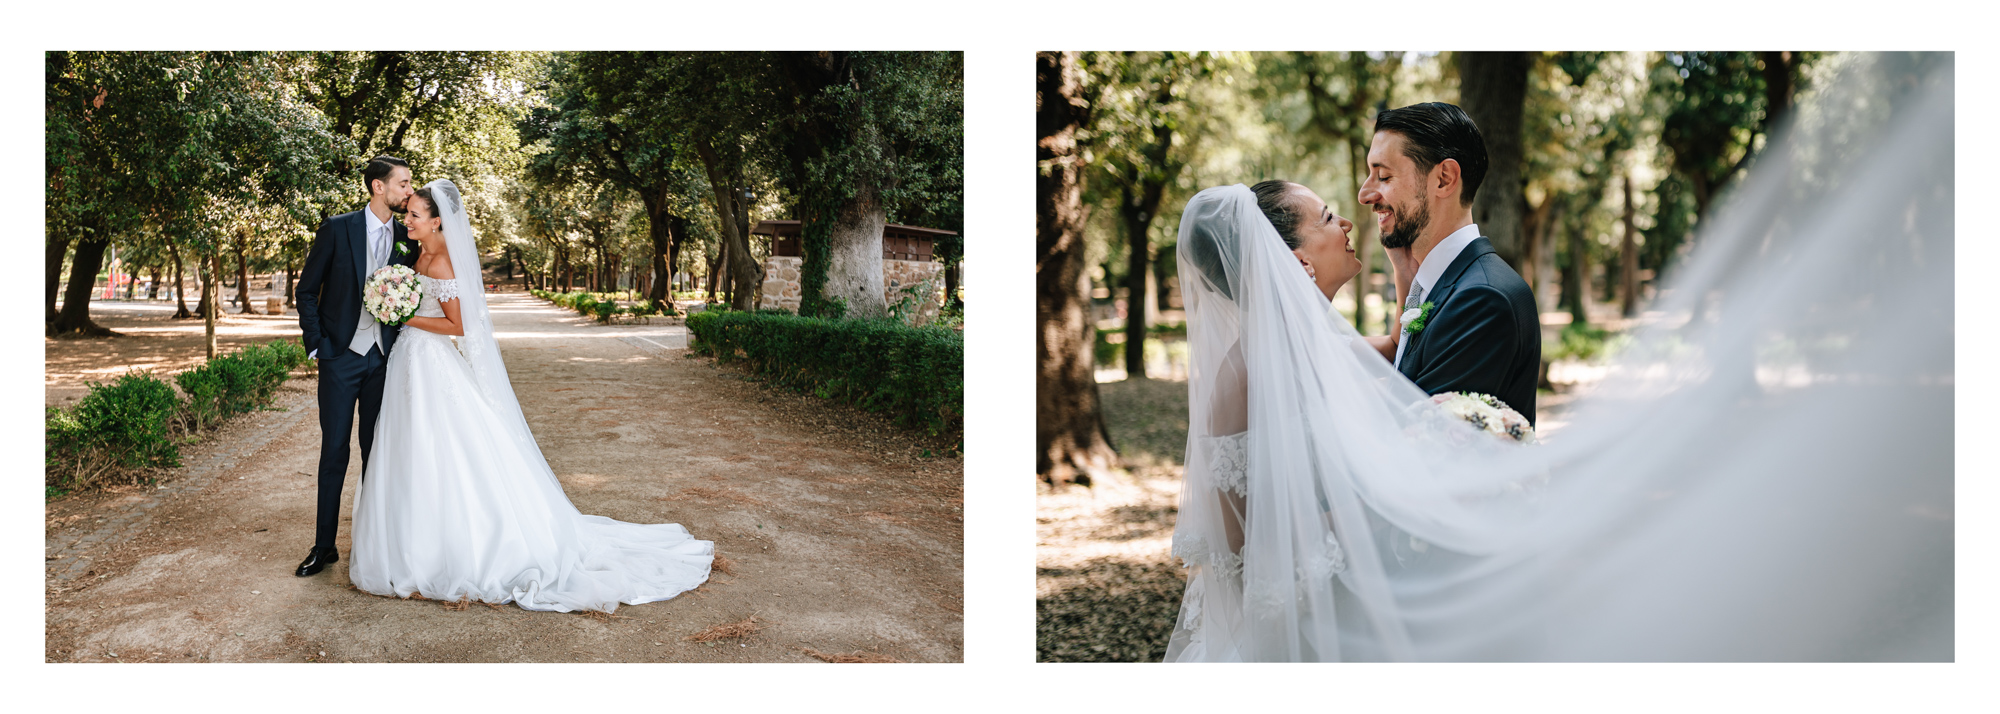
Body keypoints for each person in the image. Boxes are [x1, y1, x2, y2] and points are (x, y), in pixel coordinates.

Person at [1162, 53, 1951, 661]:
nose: (1363, 200)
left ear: (1443, 180)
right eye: (1350, 194)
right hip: (1340, 608)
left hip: (1436, 604)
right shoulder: (1353, 329)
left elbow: (1416, 466)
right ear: (1291, 266)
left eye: (1378, 177)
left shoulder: (1479, 297)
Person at [346, 179, 712, 612]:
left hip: (431, 362)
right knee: (409, 447)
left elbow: (457, 326)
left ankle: (457, 544)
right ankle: (408, 536)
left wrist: (406, 317)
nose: (407, 220)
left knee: (441, 445)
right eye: (407, 213)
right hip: (410, 360)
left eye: (414, 215)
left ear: (437, 219)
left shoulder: (443, 260)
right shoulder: (417, 252)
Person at [293, 156, 420, 577]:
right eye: (403, 183)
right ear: (377, 187)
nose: (409, 190)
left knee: (376, 452)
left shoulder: (408, 237)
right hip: (340, 358)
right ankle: (324, 546)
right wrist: (319, 346)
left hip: (384, 360)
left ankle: (372, 545)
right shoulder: (336, 228)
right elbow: (307, 291)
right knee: (334, 452)